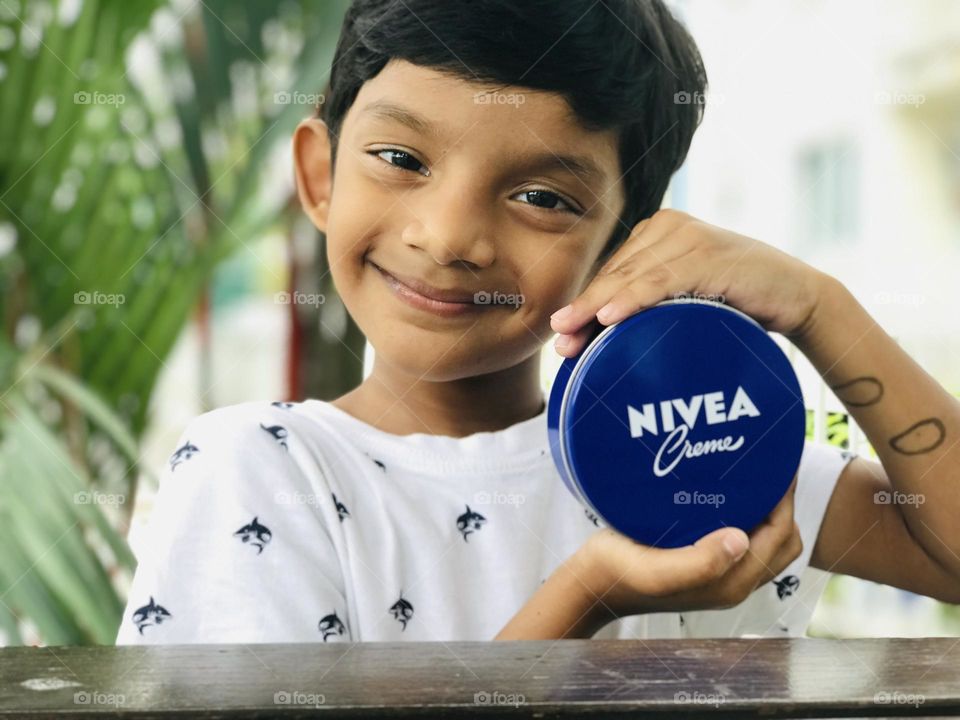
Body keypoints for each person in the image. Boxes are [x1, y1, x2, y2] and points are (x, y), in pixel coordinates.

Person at [116, 0, 960, 645]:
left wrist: (821, 306)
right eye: (402, 159)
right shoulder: (256, 471)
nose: (447, 237)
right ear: (320, 176)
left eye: (542, 198)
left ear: (631, 250)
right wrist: (586, 598)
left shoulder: (698, 459)